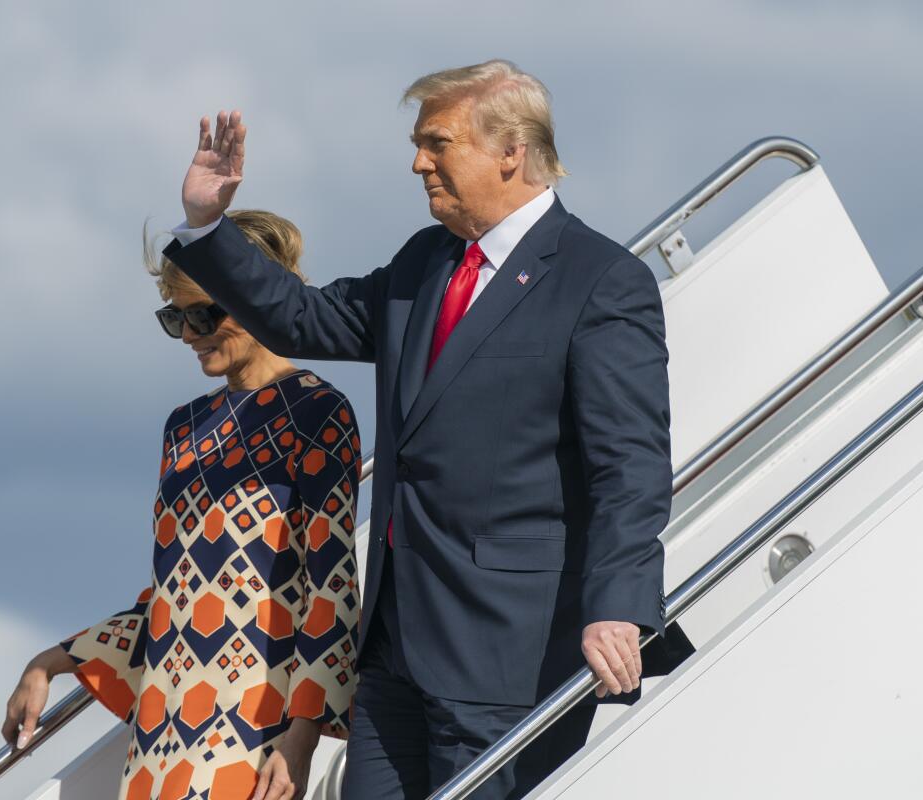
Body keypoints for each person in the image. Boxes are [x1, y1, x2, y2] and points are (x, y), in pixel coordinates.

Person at [164, 60, 693, 799]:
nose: (418, 162)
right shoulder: (424, 261)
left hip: (508, 654)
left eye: (437, 143)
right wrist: (208, 226)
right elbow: (303, 317)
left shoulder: (601, 281)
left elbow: (630, 466)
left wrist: (619, 607)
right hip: (394, 652)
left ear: (512, 149)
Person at [2, 210, 362, 800]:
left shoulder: (318, 411)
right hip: (162, 733)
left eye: (202, 313)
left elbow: (331, 588)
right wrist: (50, 661)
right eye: (175, 318)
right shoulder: (184, 428)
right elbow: (174, 598)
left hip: (257, 724)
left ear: (259, 295)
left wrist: (303, 733)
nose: (190, 334)